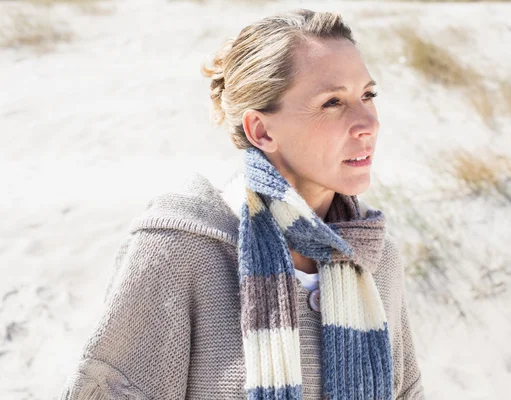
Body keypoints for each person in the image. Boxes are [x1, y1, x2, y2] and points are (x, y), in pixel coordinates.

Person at [59, 8, 425, 400]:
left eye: (367, 95)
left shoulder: (374, 257)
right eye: (333, 102)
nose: (368, 122)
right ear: (261, 130)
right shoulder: (181, 249)